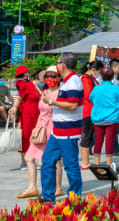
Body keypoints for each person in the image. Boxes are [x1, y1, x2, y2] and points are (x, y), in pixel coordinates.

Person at [39, 53, 83, 203]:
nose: (57, 65)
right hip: (58, 132)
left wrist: (51, 102)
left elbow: (72, 105)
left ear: (62, 65)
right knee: (47, 161)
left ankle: (74, 198)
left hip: (68, 132)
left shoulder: (73, 82)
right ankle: (47, 196)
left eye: (57, 63)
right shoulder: (67, 81)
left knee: (70, 166)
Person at [16, 66, 63, 199]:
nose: (50, 79)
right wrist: (36, 129)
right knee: (29, 157)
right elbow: (41, 112)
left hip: (53, 129)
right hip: (41, 128)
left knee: (54, 160)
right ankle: (32, 187)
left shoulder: (61, 93)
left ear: (59, 78)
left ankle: (57, 188)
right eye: (48, 76)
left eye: (53, 76)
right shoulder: (44, 92)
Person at [89, 68, 119, 169]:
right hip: (113, 118)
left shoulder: (96, 88)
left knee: (98, 140)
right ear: (112, 77)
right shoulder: (116, 88)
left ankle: (97, 163)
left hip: (98, 118)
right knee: (109, 141)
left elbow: (91, 98)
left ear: (101, 77)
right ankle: (109, 164)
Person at [8, 65, 41, 170]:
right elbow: (19, 97)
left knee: (35, 137)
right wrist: (15, 107)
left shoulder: (31, 84)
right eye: (26, 72)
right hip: (27, 113)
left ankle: (34, 160)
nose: (28, 74)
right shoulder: (22, 83)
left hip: (35, 113)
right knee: (25, 137)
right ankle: (25, 161)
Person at [79, 61, 104, 169]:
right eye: (99, 71)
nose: (99, 74)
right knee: (86, 137)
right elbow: (89, 95)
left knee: (89, 136)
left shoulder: (91, 78)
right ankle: (84, 162)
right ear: (93, 70)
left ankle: (87, 161)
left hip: (92, 111)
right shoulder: (85, 79)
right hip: (87, 111)